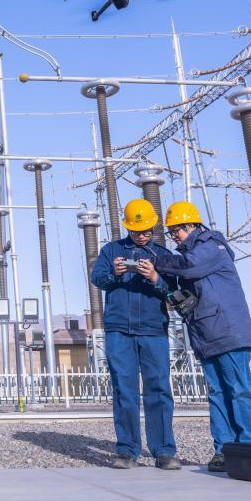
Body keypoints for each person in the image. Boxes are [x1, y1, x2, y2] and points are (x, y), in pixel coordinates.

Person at [151, 201, 251, 473]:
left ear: (192, 225)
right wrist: (157, 279)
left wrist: (156, 260)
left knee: (238, 390)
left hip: (228, 332)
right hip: (205, 334)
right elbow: (183, 299)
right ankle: (224, 449)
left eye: (176, 230)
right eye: (171, 232)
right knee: (216, 393)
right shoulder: (188, 257)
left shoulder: (211, 247)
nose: (174, 236)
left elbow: (189, 266)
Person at [91, 199, 181, 470]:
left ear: (153, 227)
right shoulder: (111, 251)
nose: (142, 235)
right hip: (119, 330)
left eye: (147, 230)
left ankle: (164, 451)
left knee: (159, 389)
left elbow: (172, 291)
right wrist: (116, 274)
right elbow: (97, 279)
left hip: (154, 330)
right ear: (127, 228)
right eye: (136, 231)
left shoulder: (163, 255)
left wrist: (155, 278)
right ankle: (127, 451)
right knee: (124, 391)